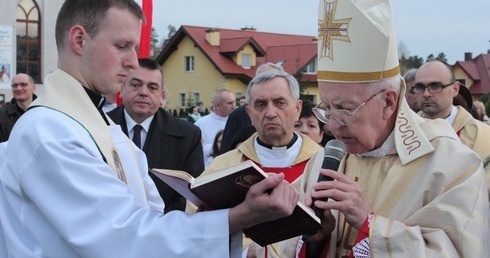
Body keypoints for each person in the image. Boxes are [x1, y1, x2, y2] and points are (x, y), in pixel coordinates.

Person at [0, 1, 301, 257]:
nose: (133, 62)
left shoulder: (105, 128)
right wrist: (237, 218)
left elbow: (151, 215)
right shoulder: (49, 131)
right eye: (122, 46)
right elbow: (123, 238)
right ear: (79, 40)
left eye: (134, 47)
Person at [308, 0, 489, 257]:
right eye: (326, 108)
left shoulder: (452, 165)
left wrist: (368, 224)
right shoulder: (323, 162)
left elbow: (459, 251)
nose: (333, 126)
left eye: (345, 110)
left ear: (388, 102)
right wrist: (317, 239)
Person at [198, 70, 325, 258]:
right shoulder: (224, 165)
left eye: (280, 103)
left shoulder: (323, 164)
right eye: (261, 104)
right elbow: (197, 226)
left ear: (297, 108)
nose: (270, 113)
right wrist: (241, 251)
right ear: (249, 113)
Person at [107, 58, 205, 213]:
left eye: (152, 87)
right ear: (122, 88)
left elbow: (191, 194)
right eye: (135, 85)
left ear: (162, 95)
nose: (143, 92)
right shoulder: (100, 126)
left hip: (165, 228)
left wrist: (155, 226)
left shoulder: (188, 136)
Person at [414, 60, 490, 179]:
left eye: (435, 86)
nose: (426, 93)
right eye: (420, 87)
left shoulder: (483, 135)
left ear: (455, 89)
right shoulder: (403, 132)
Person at [219, 62, 284, 155]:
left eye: (272, 79)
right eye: (261, 80)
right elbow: (226, 154)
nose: (270, 113)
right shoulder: (238, 115)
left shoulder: (289, 112)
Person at [195, 88, 235, 167]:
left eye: (234, 102)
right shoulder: (200, 124)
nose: (234, 106)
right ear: (218, 105)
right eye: (230, 103)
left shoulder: (237, 122)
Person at [0, 73, 37, 142]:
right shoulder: (2, 115)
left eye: (23, 84)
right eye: (15, 85)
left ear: (33, 88)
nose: (18, 88)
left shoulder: (44, 111)